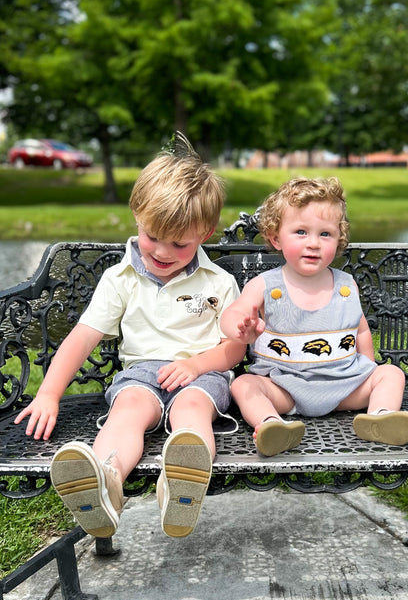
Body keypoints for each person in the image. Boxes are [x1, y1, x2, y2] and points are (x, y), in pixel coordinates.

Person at [15, 134, 247, 538]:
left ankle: (181, 487)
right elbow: (82, 338)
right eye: (152, 236)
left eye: (179, 243)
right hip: (141, 375)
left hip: (201, 375)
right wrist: (49, 393)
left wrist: (196, 364)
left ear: (206, 234)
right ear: (137, 217)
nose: (161, 251)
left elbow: (233, 350)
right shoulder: (119, 279)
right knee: (128, 411)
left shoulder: (220, 282)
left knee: (191, 411)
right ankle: (107, 482)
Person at [219, 176, 408, 457]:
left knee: (391, 373)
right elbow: (234, 313)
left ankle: (380, 416)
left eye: (325, 234)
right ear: (276, 237)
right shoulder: (266, 285)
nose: (313, 243)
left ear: (338, 239)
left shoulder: (346, 285)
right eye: (301, 232)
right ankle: (271, 425)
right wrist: (240, 326)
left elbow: (361, 330)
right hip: (284, 387)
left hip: (344, 387)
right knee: (244, 384)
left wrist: (369, 367)